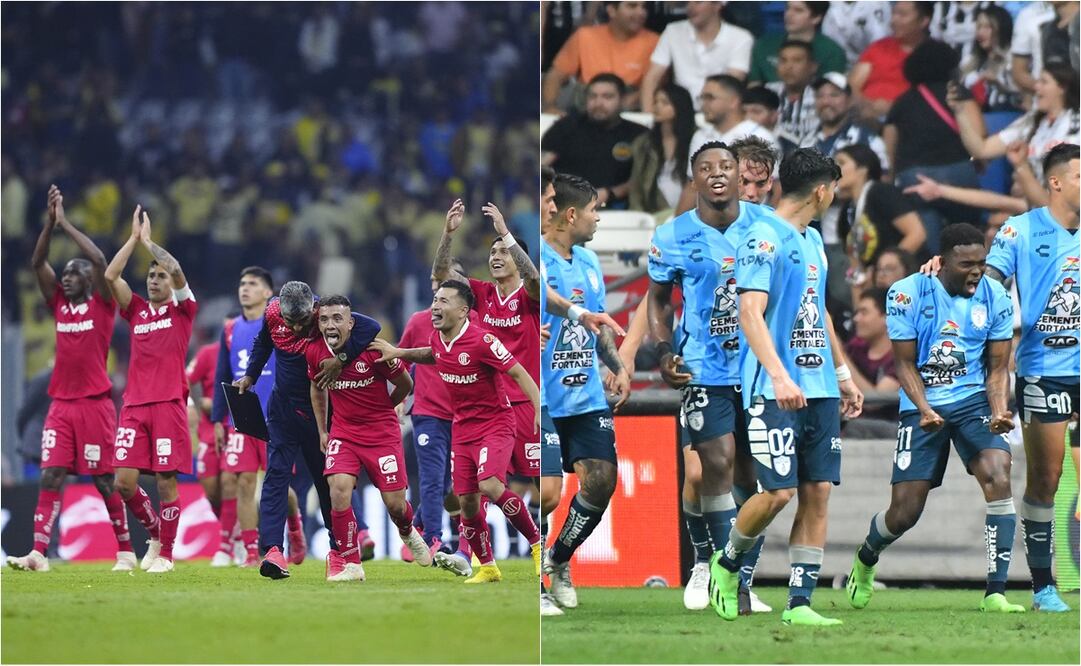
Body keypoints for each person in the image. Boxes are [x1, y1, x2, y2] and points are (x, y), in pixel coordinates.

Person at [709, 148, 863, 627]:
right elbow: (749, 311)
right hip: (774, 388)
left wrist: (842, 373)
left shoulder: (813, 239)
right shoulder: (763, 238)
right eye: (833, 189)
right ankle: (726, 563)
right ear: (821, 190)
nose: (833, 197)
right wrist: (778, 374)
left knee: (817, 491)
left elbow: (816, 312)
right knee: (777, 493)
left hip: (819, 388)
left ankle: (800, 605)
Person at [846, 223, 1023, 613]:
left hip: (973, 401)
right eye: (966, 264)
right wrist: (924, 409)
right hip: (922, 404)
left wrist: (998, 411)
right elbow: (904, 364)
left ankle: (995, 592)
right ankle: (867, 555)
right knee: (905, 513)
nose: (977, 271)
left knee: (998, 472)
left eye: (982, 262)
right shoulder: (908, 293)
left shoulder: (995, 297)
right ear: (942, 262)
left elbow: (997, 368)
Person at [647, 141, 776, 612]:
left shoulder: (768, 228)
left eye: (726, 166)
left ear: (740, 174)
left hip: (760, 370)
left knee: (752, 479)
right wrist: (663, 351)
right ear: (694, 177)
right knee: (711, 467)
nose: (717, 174)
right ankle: (719, 575)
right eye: (707, 167)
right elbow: (658, 300)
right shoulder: (672, 235)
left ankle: (735, 571)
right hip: (704, 368)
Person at [371, 280, 543, 584]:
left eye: (444, 301)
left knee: (489, 485)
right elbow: (431, 354)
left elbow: (518, 371)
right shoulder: (439, 339)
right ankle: (488, 567)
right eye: (435, 299)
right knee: (466, 502)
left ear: (463, 311)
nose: (436, 306)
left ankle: (536, 544)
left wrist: (538, 408)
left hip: (495, 424)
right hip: (462, 427)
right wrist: (398, 351)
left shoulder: (483, 341)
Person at [8, 186, 134, 573]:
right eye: (63, 275)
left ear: (88, 280)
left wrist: (66, 224)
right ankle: (39, 554)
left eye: (72, 275)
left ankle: (126, 551)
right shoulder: (58, 305)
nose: (65, 279)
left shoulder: (103, 304)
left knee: (103, 481)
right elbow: (37, 262)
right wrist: (48, 225)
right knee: (51, 474)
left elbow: (97, 258)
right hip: (60, 405)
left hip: (95, 404)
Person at [979, 144, 1078, 612]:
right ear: (1056, 182)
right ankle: (1043, 586)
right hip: (1045, 369)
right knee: (1047, 476)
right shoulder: (1019, 231)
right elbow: (989, 284)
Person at [235, 280, 381, 580]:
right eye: (292, 322)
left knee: (327, 483)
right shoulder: (273, 311)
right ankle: (273, 551)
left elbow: (370, 328)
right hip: (283, 409)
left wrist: (340, 360)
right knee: (275, 476)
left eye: (303, 322)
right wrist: (250, 374)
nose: (298, 328)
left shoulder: (325, 312)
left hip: (323, 414)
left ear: (312, 310)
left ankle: (339, 552)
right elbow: (263, 342)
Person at [541, 173, 631, 610]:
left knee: (601, 481)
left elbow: (597, 324)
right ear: (572, 213)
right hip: (543, 398)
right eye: (595, 210)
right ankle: (534, 583)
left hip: (587, 396)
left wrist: (616, 367)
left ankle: (557, 559)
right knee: (546, 493)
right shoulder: (534, 258)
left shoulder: (590, 263)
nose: (599, 219)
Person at [307, 295, 429, 581]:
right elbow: (317, 387)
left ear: (351, 323)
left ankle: (408, 530)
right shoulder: (314, 351)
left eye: (337, 318)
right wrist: (323, 430)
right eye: (324, 319)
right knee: (338, 488)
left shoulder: (374, 350)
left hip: (381, 433)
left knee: (396, 505)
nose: (330, 325)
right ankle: (352, 563)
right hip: (344, 432)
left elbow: (405, 383)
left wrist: (388, 407)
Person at [103, 206, 197, 574]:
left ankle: (167, 555)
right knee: (123, 483)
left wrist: (150, 244)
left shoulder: (184, 311)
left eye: (160, 276)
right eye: (150, 275)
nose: (155, 279)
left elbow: (175, 268)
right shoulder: (136, 311)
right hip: (133, 407)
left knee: (165, 482)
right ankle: (156, 531)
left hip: (168, 405)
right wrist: (132, 240)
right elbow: (111, 275)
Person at [207, 267, 307, 567]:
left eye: (253, 284)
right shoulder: (229, 328)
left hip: (276, 415)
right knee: (243, 482)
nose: (245, 289)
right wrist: (217, 419)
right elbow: (222, 375)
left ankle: (295, 525)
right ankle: (251, 551)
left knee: (278, 485)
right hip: (243, 416)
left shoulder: (282, 324)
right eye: (242, 283)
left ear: (268, 293)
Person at [397, 259, 473, 557]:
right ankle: (432, 538)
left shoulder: (476, 323)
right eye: (439, 287)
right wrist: (398, 399)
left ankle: (416, 529)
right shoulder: (419, 321)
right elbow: (400, 359)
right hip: (427, 412)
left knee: (448, 484)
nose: (441, 291)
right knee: (431, 478)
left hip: (467, 413)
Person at [885, 39, 985, 252]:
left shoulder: (902, 102)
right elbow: (979, 137)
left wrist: (894, 176)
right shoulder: (959, 94)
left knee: (931, 246)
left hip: (915, 178)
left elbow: (890, 147)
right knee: (966, 236)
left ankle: (935, 273)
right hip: (959, 175)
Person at [950, 62, 1079, 204]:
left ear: (1062, 88)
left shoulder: (1076, 123)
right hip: (1038, 210)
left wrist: (1021, 166)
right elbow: (982, 149)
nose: (1036, 87)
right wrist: (960, 112)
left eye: (1044, 82)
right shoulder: (1031, 121)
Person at [543, 73, 648, 209]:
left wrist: (609, 194)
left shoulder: (638, 134)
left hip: (616, 205)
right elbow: (542, 166)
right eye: (593, 96)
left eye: (607, 97)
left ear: (622, 100)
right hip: (564, 207)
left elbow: (643, 178)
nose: (598, 103)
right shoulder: (566, 127)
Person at [834, 143, 926, 298]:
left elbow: (917, 234)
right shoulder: (846, 213)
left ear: (863, 169)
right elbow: (856, 268)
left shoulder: (881, 193)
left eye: (841, 163)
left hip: (913, 284)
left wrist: (882, 269)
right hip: (880, 291)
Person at [679, 75, 780, 213]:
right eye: (702, 98)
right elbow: (691, 188)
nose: (703, 104)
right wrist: (676, 227)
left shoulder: (760, 136)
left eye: (710, 98)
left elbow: (777, 189)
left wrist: (770, 224)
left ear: (733, 101)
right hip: (707, 225)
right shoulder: (700, 136)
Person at [639, 0, 754, 114]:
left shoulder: (741, 37)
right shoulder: (672, 31)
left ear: (717, 5)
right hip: (680, 113)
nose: (690, 7)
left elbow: (731, 84)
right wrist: (648, 117)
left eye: (698, 2)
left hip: (720, 112)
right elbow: (652, 78)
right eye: (687, 2)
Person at [543, 1, 658, 113]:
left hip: (631, 108)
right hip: (586, 107)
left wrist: (631, 99)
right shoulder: (585, 36)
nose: (641, 12)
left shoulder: (654, 41)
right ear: (611, 10)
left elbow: (659, 84)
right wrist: (550, 106)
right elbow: (555, 75)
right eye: (632, 6)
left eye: (644, 7)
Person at [849, 1, 933, 122]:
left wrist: (894, 108)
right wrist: (868, 105)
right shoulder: (878, 47)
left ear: (924, 21)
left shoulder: (932, 54)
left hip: (908, 120)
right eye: (893, 14)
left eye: (902, 15)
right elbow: (852, 86)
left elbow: (931, 97)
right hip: (865, 115)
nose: (894, 20)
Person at [628, 83, 697, 213]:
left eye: (665, 103)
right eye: (655, 102)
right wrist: (637, 215)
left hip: (691, 212)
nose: (657, 106)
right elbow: (636, 186)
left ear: (680, 106)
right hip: (654, 211)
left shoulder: (697, 139)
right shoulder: (643, 143)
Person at [748, 1, 846, 85]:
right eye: (788, 8)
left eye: (798, 10)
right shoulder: (764, 44)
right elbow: (754, 84)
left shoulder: (832, 51)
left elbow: (831, 90)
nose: (789, 14)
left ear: (816, 18)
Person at [844, 287, 900, 426]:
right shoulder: (855, 347)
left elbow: (875, 401)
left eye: (864, 312)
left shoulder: (901, 356)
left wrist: (841, 361)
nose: (856, 319)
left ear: (887, 318)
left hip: (888, 432)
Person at [958, 5, 1023, 113]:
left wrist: (999, 85)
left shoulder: (1014, 59)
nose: (980, 33)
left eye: (987, 27)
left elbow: (1023, 96)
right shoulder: (970, 62)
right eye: (978, 27)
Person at [764, 40, 822, 152]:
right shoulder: (767, 91)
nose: (789, 66)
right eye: (783, 61)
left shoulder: (821, 96)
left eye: (797, 60)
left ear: (813, 66)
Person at [821, 0, 891, 68]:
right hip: (848, 63)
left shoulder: (877, 3)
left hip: (881, 58)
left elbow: (880, 38)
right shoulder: (833, 8)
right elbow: (831, 45)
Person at [731, 135, 778, 205]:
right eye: (743, 181)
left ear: (769, 183)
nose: (751, 193)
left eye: (760, 184)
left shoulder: (772, 215)